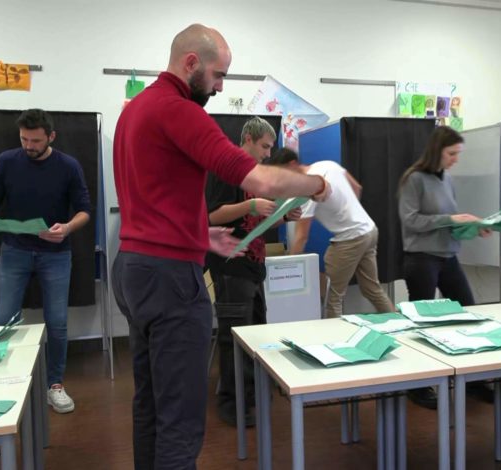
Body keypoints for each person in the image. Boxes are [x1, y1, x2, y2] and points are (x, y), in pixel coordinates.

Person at [111, 24, 330, 470]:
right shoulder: (180, 110)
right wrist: (319, 184)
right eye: (218, 75)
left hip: (134, 267)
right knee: (179, 418)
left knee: (151, 402)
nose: (220, 87)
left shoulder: (134, 111)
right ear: (191, 62)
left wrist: (199, 233)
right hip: (169, 279)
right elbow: (261, 180)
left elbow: (153, 197)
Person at [0, 108, 92, 414]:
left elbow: (85, 210)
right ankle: (6, 383)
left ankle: (54, 384)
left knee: (57, 323)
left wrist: (67, 228)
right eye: (24, 139)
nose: (29, 146)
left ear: (51, 137)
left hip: (56, 254)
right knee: (4, 319)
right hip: (14, 250)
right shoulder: (7, 160)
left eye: (35, 140)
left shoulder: (68, 166)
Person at [205, 116, 302, 427]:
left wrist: (284, 217)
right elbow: (212, 215)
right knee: (234, 336)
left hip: (253, 266)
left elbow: (259, 221)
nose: (267, 153)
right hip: (231, 264)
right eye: (264, 146)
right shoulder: (225, 169)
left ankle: (250, 394)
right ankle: (231, 403)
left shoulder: (254, 175)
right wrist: (250, 206)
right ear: (247, 139)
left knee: (255, 333)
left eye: (271, 148)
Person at [397, 125, 491, 408]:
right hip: (421, 259)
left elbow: (449, 219)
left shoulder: (447, 179)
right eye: (452, 154)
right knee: (421, 323)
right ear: (437, 151)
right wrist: (451, 220)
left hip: (448, 256)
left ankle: (473, 381)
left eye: (457, 154)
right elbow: (411, 220)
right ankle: (418, 385)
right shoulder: (413, 179)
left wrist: (473, 227)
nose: (455, 159)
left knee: (467, 312)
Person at [268, 147, 396, 318]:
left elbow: (301, 237)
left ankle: (334, 334)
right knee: (372, 289)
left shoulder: (306, 188)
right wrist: (346, 212)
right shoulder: (327, 165)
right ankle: (399, 323)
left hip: (350, 238)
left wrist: (288, 268)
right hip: (368, 230)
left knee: (333, 297)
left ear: (291, 165)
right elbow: (357, 187)